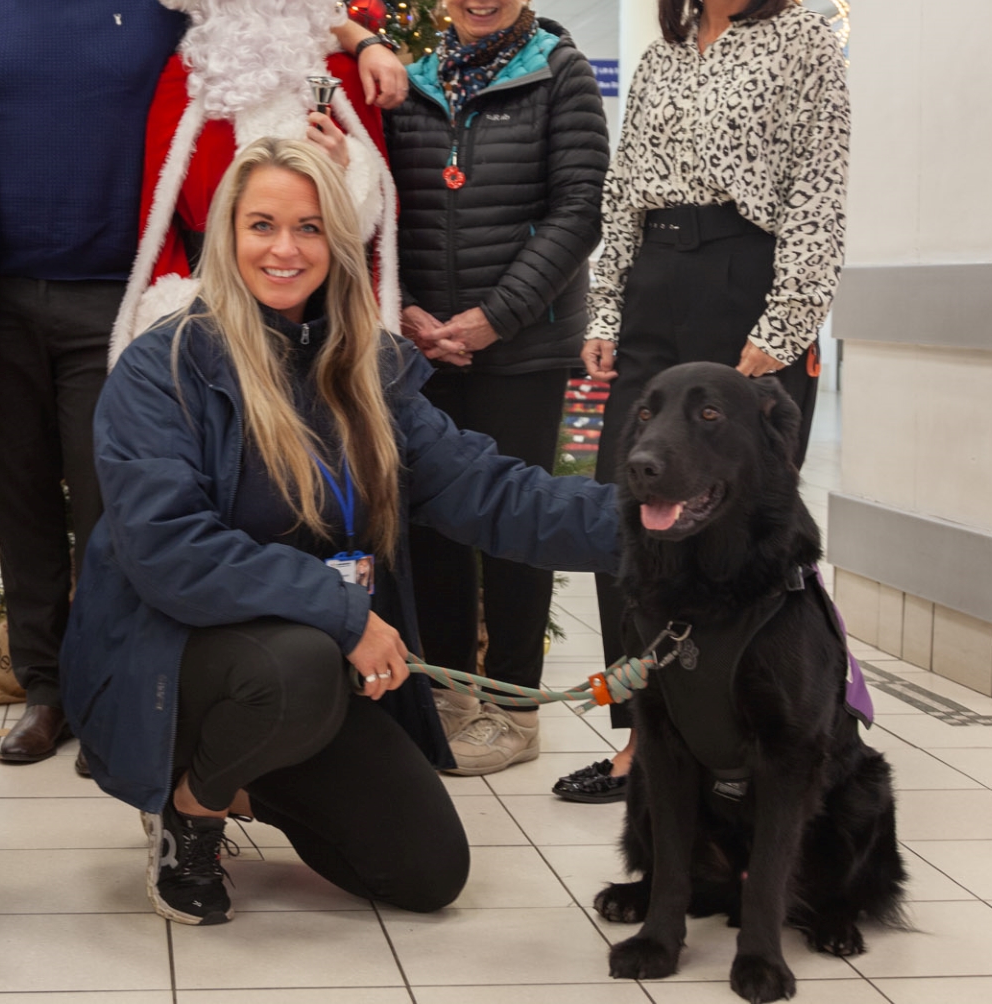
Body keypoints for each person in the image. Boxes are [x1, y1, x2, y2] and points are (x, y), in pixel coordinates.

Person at [0, 0, 407, 765]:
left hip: (117, 297)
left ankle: (117, 693)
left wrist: (363, 33)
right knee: (18, 500)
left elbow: (277, 5)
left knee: (119, 511)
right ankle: (51, 690)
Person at [62, 138, 620, 926]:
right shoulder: (164, 369)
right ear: (227, 235)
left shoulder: (370, 371)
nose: (284, 248)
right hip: (174, 656)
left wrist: (652, 526)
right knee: (296, 667)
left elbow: (492, 493)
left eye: (310, 227)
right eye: (262, 225)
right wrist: (343, 613)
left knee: (426, 872)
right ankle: (190, 803)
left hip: (309, 668)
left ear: (340, 245)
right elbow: (168, 550)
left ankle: (254, 769)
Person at [554, 0, 849, 806]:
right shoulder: (660, 59)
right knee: (629, 515)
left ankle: (764, 727)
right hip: (656, 290)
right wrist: (605, 313)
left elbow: (818, 193)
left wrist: (784, 323)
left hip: (747, 288)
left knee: (745, 523)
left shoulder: (805, 41)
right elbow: (625, 191)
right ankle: (646, 738)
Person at [383, 0, 607, 777]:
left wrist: (493, 317)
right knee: (436, 523)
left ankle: (514, 709)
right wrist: (407, 313)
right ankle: (448, 695)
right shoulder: (411, 85)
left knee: (518, 524)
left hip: (523, 349)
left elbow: (578, 210)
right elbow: (385, 204)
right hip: (423, 350)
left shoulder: (559, 74)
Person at [114, 0, 398, 362]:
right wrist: (169, 305)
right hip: (204, 308)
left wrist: (346, 170)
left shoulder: (344, 73)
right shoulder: (185, 74)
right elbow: (156, 217)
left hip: (318, 311)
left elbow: (375, 218)